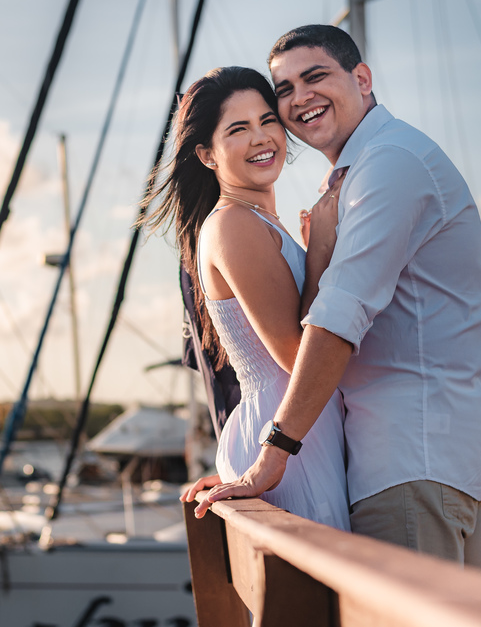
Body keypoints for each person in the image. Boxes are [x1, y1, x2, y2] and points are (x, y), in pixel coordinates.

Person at [195, 26, 481, 576]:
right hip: (409, 452)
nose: (297, 100)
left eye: (315, 77)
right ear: (208, 154)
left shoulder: (386, 166)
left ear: (361, 79)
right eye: (285, 89)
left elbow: (338, 317)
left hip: (409, 452)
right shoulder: (357, 176)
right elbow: (319, 327)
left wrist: (269, 458)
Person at [144, 66, 349, 529]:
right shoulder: (234, 223)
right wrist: (320, 251)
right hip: (288, 435)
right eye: (238, 129)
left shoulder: (257, 221)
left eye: (267, 121)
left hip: (294, 427)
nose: (261, 138)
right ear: (207, 155)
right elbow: (299, 354)